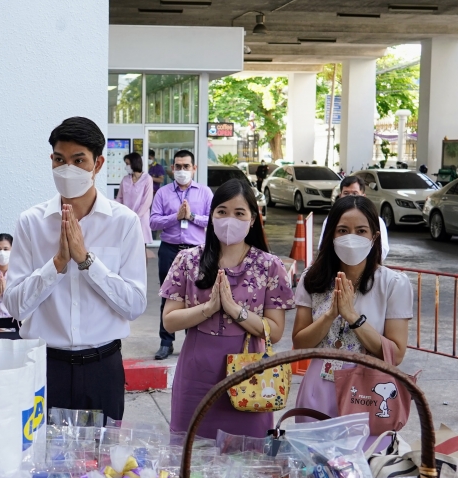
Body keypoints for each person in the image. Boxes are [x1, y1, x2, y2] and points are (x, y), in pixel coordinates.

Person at [4, 116, 147, 421]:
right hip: (45, 364)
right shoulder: (32, 222)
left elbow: (134, 304)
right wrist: (56, 264)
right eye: (60, 160)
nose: (67, 169)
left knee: (102, 451)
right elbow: (15, 305)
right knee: (40, 449)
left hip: (101, 365)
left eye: (78, 160)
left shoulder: (124, 222)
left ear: (98, 164)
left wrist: (86, 261)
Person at [161, 179, 295, 437]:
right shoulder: (188, 260)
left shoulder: (270, 266)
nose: (229, 220)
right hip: (197, 373)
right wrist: (209, 308)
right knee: (193, 450)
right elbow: (170, 320)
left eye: (239, 213)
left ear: (253, 219)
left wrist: (235, 310)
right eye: (222, 212)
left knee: (248, 452)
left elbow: (275, 331)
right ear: (211, 216)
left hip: (250, 375)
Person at [293, 197, 413, 439]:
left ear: (374, 237)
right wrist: (330, 315)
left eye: (361, 231)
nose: (351, 237)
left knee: (365, 457)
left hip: (366, 392)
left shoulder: (393, 284)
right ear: (331, 235)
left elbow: (396, 354)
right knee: (315, 457)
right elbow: (300, 343)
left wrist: (353, 318)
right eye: (343, 230)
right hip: (318, 389)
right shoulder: (312, 279)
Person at [149, 149, 213, 360]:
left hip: (196, 252)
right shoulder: (163, 192)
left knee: (196, 297)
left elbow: (213, 220)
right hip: (170, 250)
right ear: (172, 168)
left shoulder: (204, 193)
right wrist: (175, 217)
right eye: (178, 166)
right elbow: (153, 222)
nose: (182, 170)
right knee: (168, 296)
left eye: (186, 166)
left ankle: (192, 342)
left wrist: (192, 216)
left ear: (194, 168)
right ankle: (166, 343)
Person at [318, 176, 389, 261]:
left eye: (361, 231)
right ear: (340, 196)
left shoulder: (376, 220)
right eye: (346, 193)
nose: (350, 197)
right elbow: (323, 246)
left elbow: (382, 251)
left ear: (363, 196)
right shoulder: (331, 219)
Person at [116, 152, 154, 246]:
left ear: (134, 163)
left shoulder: (147, 179)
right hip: (126, 218)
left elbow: (147, 201)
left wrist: (136, 217)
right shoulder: (125, 179)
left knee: (140, 247)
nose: (126, 166)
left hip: (141, 219)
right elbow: (119, 198)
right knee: (126, 247)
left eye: (128, 164)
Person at [0, 233, 20, 339]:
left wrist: (8, 291)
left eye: (6, 249)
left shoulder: (19, 274)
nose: (2, 252)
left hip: (16, 328)